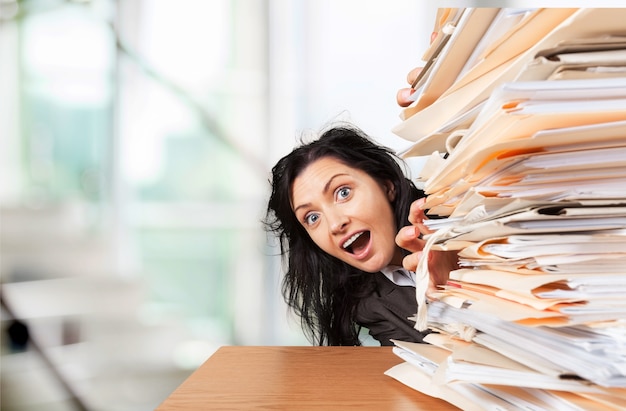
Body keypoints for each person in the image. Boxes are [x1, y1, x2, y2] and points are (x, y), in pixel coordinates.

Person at [264, 124, 458, 346]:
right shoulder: (370, 307)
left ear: (387, 185)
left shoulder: (466, 210)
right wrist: (447, 296)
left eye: (343, 193)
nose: (335, 224)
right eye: (312, 217)